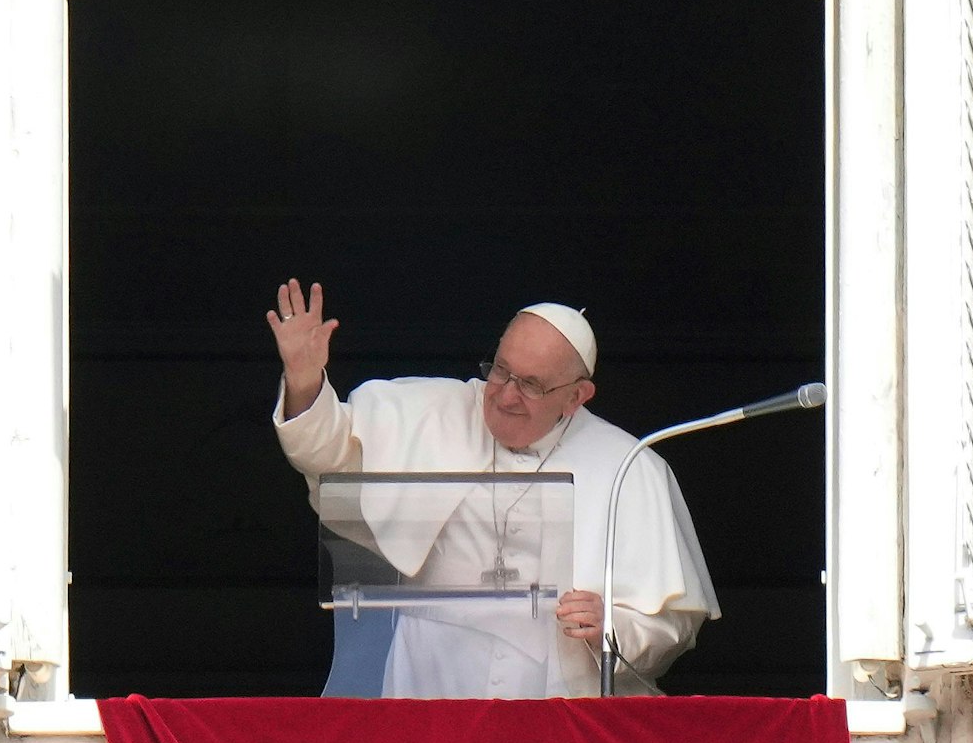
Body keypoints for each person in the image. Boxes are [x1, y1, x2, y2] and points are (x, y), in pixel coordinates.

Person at [270, 278, 718, 697]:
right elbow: (330, 457)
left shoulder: (628, 465)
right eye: (501, 370)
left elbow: (672, 624)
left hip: (555, 696)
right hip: (428, 678)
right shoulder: (434, 411)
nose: (505, 395)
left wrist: (611, 627)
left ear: (576, 396)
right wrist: (304, 379)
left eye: (531, 385)